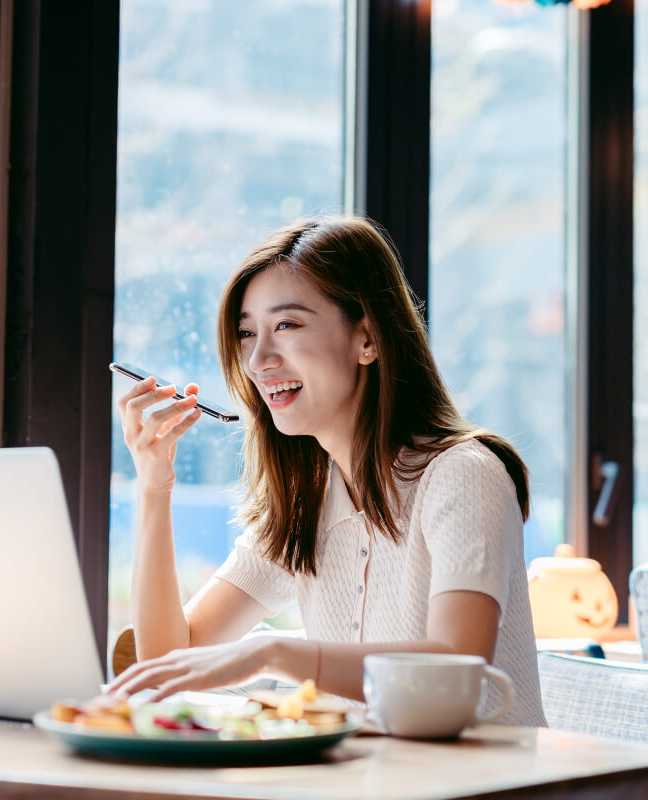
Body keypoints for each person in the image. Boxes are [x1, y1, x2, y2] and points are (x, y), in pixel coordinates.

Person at [107, 216, 545, 726]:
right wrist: (154, 486)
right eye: (247, 333)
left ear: (367, 339)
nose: (258, 360)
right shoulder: (307, 502)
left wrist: (272, 653)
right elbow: (168, 661)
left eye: (287, 325)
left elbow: (454, 669)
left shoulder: (463, 475)